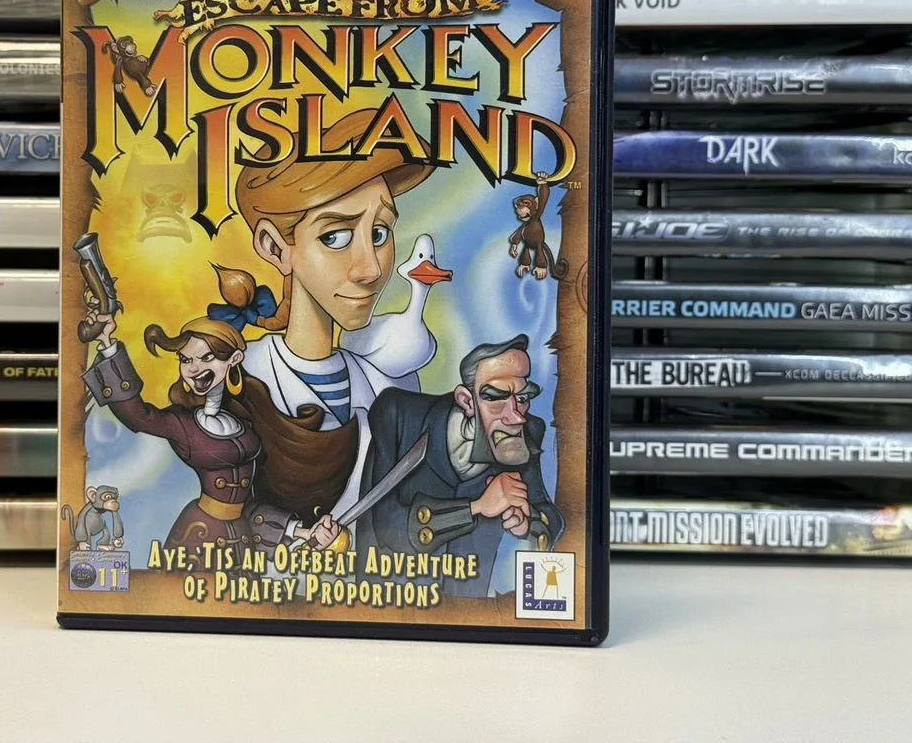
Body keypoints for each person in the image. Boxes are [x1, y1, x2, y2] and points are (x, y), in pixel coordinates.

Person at [230, 107, 437, 521]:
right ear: (275, 248)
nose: (371, 268)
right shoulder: (239, 376)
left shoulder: (392, 382)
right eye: (336, 236)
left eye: (379, 233)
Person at [80, 266, 356, 556]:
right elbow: (137, 415)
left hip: (241, 546)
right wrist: (107, 345)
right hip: (197, 542)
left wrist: (303, 532)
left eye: (206, 358)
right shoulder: (184, 425)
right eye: (186, 360)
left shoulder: (245, 424)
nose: (194, 369)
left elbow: (248, 508)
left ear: (234, 359)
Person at [355, 334, 563, 598]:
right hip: (391, 599)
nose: (516, 417)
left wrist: (526, 522)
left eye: (522, 398)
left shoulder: (526, 434)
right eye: (497, 398)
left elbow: (550, 517)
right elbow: (387, 524)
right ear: (466, 401)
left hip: (468, 605)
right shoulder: (400, 416)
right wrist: (477, 507)